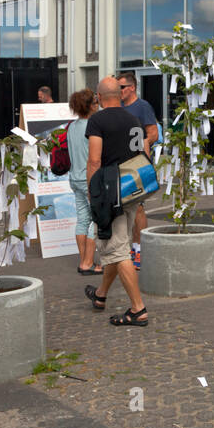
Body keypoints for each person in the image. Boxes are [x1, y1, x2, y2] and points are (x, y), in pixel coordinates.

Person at [85, 77, 149, 325]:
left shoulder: (98, 120)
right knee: (118, 243)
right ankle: (100, 296)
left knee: (118, 249)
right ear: (119, 95)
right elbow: (145, 152)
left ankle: (138, 309)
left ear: (99, 97)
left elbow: (94, 160)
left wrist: (94, 193)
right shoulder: (134, 119)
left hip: (112, 193)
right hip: (134, 188)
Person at [117, 73, 159, 269]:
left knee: (138, 206)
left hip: (137, 164)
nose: (120, 91)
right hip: (120, 163)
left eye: (122, 87)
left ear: (132, 87)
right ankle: (129, 248)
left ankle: (139, 249)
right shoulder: (118, 107)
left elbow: (153, 133)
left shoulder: (142, 106)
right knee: (126, 207)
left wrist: (141, 144)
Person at [67, 88, 101, 276]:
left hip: (74, 177)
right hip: (90, 177)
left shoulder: (72, 126)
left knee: (82, 219)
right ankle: (89, 262)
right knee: (95, 220)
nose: (98, 105)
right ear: (89, 106)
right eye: (95, 102)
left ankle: (84, 261)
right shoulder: (93, 127)